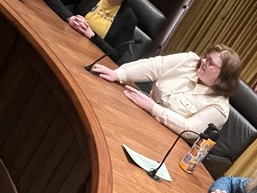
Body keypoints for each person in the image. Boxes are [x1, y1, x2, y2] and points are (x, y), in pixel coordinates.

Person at [90, 45, 241, 139]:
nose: (203, 61)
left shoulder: (219, 107)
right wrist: (119, 74)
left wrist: (153, 108)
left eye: (211, 63)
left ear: (223, 76)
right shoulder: (189, 60)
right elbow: (153, 65)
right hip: (140, 113)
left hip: (163, 138)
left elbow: (190, 130)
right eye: (206, 57)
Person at [44, 0, 142, 62]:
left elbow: (116, 55)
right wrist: (70, 18)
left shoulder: (129, 19)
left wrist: (92, 35)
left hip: (88, 58)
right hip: (62, 41)